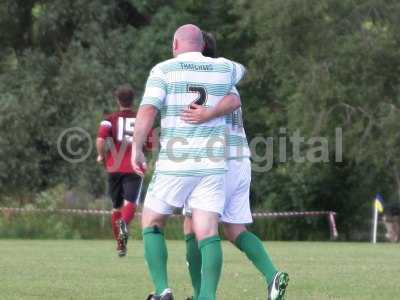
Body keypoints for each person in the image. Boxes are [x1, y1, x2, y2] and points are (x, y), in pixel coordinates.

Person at [131, 24, 245, 300]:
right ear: (203, 45)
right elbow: (239, 82)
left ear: (175, 44)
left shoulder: (164, 70)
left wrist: (136, 147)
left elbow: (148, 110)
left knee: (152, 221)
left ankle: (162, 290)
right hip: (212, 165)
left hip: (176, 162)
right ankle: (206, 296)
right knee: (207, 231)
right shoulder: (225, 67)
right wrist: (212, 110)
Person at [182, 32, 289, 300]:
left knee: (193, 227)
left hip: (214, 160)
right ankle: (272, 276)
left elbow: (228, 104)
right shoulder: (226, 77)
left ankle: (201, 295)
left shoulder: (207, 78)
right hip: (240, 159)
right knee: (234, 229)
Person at [96, 84, 152, 257]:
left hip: (114, 167)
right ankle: (124, 226)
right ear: (133, 100)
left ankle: (120, 245)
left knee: (116, 207)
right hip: (134, 166)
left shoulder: (109, 119)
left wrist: (101, 156)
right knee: (131, 204)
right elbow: (150, 144)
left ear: (117, 100)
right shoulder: (142, 119)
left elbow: (100, 139)